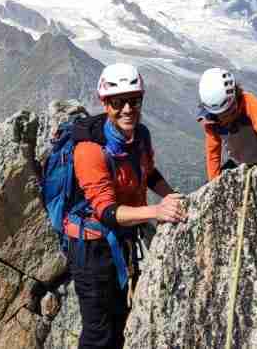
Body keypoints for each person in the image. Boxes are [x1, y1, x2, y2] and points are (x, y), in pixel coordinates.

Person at [67, 62, 186, 349]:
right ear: (105, 104)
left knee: (120, 321)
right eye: (119, 102)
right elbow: (107, 213)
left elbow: (148, 173)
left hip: (121, 241)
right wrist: (157, 211)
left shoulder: (140, 135)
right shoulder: (89, 151)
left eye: (134, 101)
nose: (128, 109)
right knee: (98, 334)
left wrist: (174, 197)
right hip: (92, 249)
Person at [196, 67, 257, 182]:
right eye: (222, 114)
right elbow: (213, 154)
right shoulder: (210, 121)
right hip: (241, 164)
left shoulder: (249, 102)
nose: (227, 117)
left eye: (231, 110)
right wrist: (214, 182)